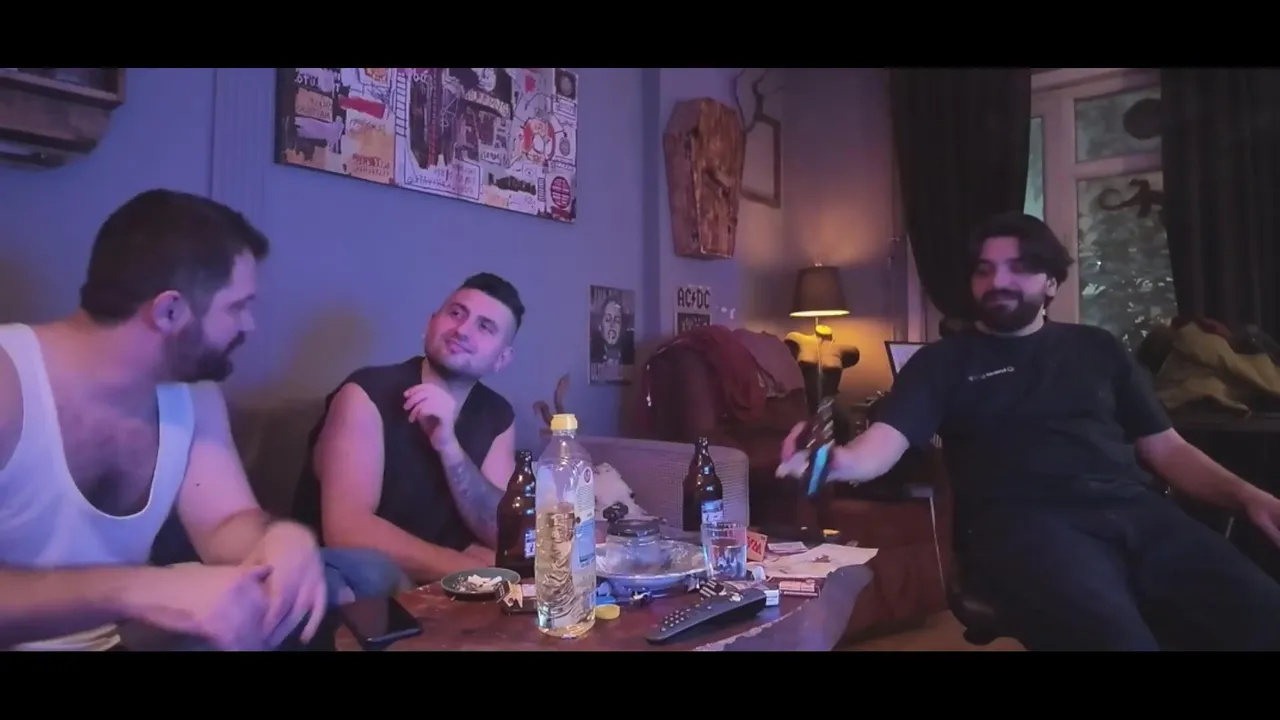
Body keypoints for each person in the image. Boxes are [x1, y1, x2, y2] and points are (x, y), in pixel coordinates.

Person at [780, 211, 1280, 651]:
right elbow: (876, 450)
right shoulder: (942, 363)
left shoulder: (1098, 349)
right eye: (984, 269)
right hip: (1026, 526)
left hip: (1138, 512)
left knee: (1263, 614)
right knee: (1121, 641)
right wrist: (827, 461)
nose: (998, 280)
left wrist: (1249, 497)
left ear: (1051, 283)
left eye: (1018, 267)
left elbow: (1167, 449)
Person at [0, 189, 403, 652]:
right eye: (237, 306)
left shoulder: (193, 395)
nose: (249, 325)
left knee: (367, 574)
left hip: (119, 638)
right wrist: (142, 590)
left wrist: (282, 537)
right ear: (169, 311)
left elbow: (226, 524)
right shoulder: (10, 381)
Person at [292, 273, 523, 584]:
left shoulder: (498, 415)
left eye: (485, 327)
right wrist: (467, 571)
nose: (462, 330)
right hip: (354, 585)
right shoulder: (365, 394)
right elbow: (348, 531)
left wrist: (450, 449)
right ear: (431, 322)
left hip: (443, 586)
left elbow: (503, 532)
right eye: (456, 313)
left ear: (501, 359)